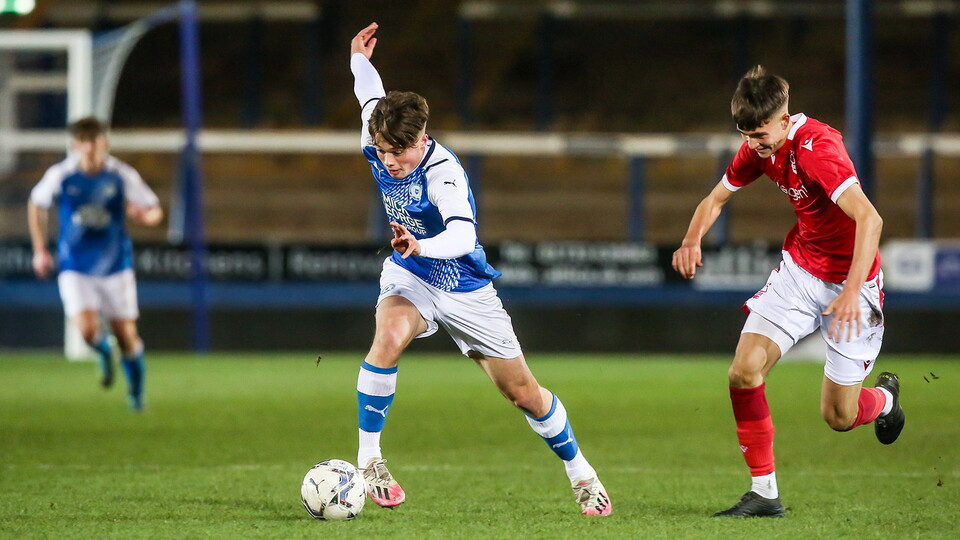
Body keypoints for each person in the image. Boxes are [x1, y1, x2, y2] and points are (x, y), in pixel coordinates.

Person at [347, 23, 610, 516]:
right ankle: (369, 460)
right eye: (382, 151)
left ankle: (581, 472)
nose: (389, 161)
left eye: (398, 152)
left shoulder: (443, 172)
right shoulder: (380, 131)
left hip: (466, 287)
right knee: (388, 334)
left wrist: (421, 244)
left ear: (422, 138)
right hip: (413, 274)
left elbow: (464, 236)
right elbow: (369, 95)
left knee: (523, 394)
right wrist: (359, 59)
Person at [672, 66, 905, 518]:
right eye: (746, 134)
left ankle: (885, 401)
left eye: (760, 134)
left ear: (783, 119)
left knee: (839, 416)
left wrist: (852, 289)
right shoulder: (757, 148)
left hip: (853, 283)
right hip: (800, 272)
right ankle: (764, 493)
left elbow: (870, 220)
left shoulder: (818, 149)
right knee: (744, 371)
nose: (754, 143)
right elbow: (715, 199)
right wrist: (691, 238)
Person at [28, 116, 163, 412]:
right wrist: (40, 249)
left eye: (95, 141)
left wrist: (145, 216)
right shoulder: (62, 174)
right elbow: (37, 203)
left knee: (126, 334)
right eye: (84, 142)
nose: (90, 148)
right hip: (75, 264)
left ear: (105, 143)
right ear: (76, 145)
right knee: (87, 331)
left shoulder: (121, 174)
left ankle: (137, 393)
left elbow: (154, 210)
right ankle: (103, 353)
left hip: (116, 264)